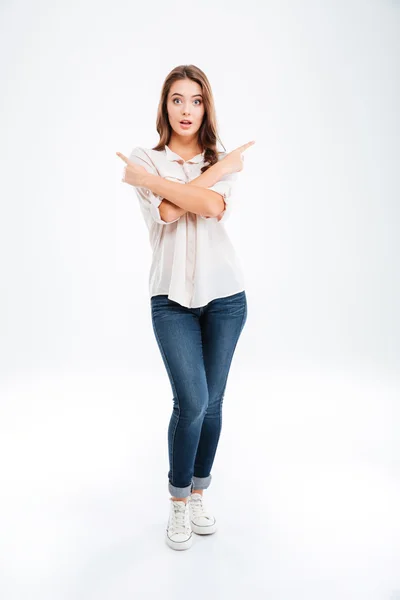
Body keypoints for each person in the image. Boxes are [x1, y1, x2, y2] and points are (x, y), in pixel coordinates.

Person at [116, 64, 255, 551]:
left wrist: (206, 173)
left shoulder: (215, 159)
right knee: (191, 402)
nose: (186, 110)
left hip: (226, 298)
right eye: (177, 99)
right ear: (165, 105)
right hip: (170, 300)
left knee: (213, 405)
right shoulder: (145, 157)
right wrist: (213, 176)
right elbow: (170, 213)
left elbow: (212, 208)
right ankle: (177, 503)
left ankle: (199, 493)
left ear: (206, 106)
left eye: (195, 100)